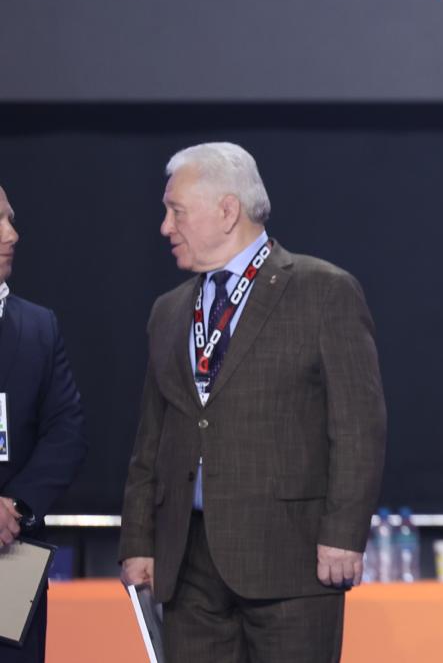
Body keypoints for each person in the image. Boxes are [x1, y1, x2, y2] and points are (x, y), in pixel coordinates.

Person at [119, 143, 386, 663]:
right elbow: (150, 439)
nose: (165, 227)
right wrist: (138, 540)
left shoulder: (324, 291)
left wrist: (345, 535)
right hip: (186, 563)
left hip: (292, 560)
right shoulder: (168, 311)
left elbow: (359, 426)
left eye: (176, 211)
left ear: (227, 210)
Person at [0, 185, 88, 663]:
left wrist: (14, 506)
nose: (12, 234)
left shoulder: (39, 326)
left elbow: (66, 431)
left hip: (13, 553)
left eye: (10, 219)